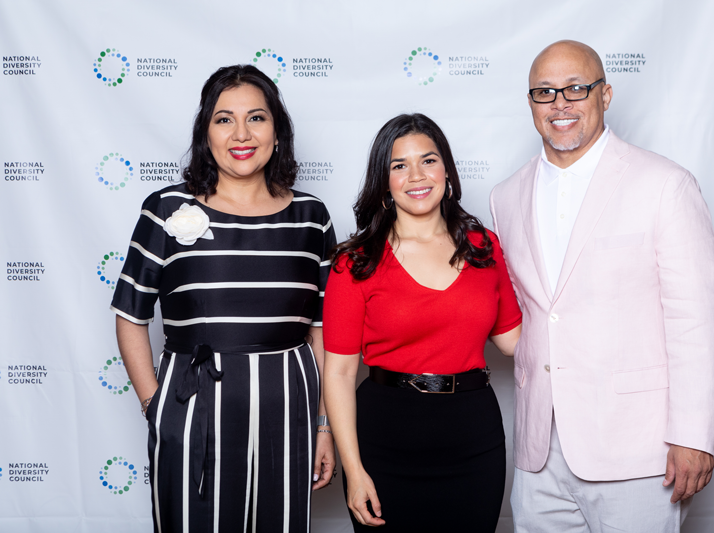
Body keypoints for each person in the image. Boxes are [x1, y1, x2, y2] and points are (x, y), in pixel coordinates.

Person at [490, 40, 714, 532]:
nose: (560, 103)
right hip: (538, 452)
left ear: (606, 94)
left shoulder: (664, 184)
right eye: (544, 92)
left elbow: (698, 321)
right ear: (530, 102)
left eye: (576, 88)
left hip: (639, 450)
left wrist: (694, 434)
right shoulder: (505, 196)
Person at [111, 64, 336, 533]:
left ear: (278, 130)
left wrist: (322, 425)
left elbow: (321, 329)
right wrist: (156, 408)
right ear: (206, 132)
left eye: (256, 117)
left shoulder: (311, 216)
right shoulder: (167, 208)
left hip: (288, 404)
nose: (241, 133)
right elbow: (131, 315)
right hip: (194, 403)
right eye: (223, 118)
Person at [322, 113, 522, 532]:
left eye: (428, 160)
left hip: (474, 438)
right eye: (399, 165)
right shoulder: (355, 262)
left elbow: (513, 341)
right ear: (385, 182)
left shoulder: (484, 247)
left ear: (446, 170)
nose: (416, 175)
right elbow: (338, 373)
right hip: (385, 442)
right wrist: (354, 471)